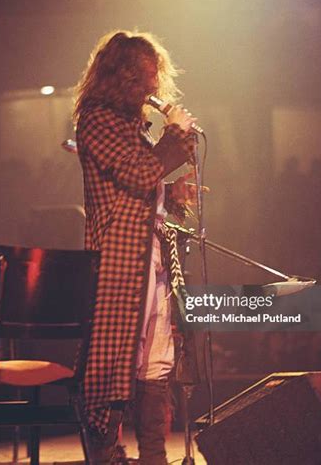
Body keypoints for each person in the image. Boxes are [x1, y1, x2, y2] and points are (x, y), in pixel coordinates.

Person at [73, 30, 198, 464]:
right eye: (145, 76)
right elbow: (139, 173)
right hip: (119, 263)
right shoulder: (96, 120)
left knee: (156, 362)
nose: (152, 86)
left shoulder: (133, 129)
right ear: (120, 75)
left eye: (154, 75)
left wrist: (173, 196)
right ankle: (105, 454)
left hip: (152, 258)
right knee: (114, 362)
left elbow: (145, 188)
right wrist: (173, 138)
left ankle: (153, 456)